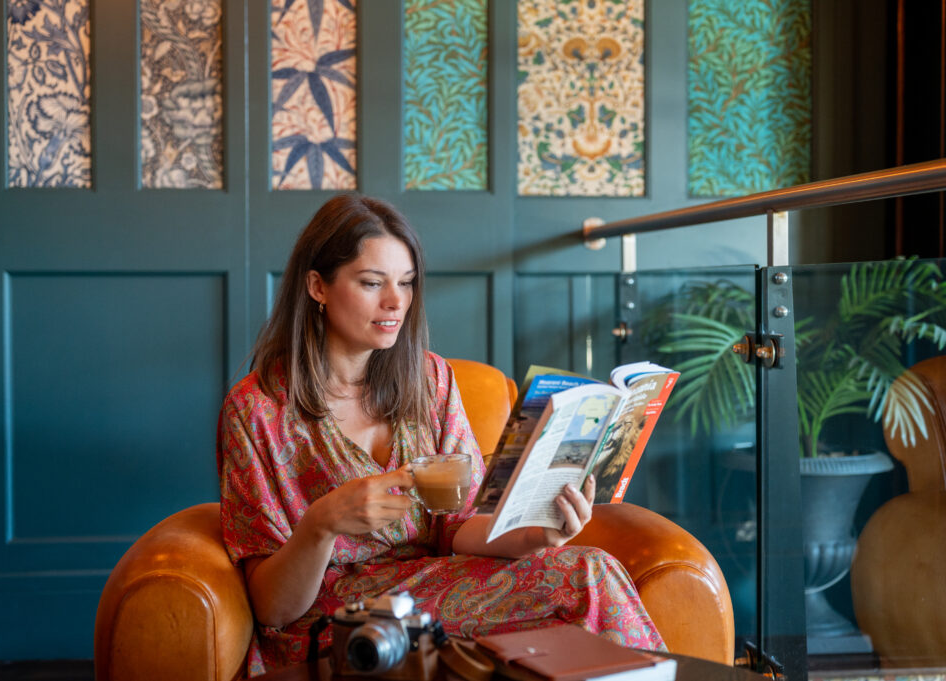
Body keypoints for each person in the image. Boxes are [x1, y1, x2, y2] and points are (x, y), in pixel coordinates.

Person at [216, 194, 665, 674]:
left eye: (406, 282)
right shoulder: (257, 409)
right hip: (341, 621)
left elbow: (459, 525)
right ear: (317, 286)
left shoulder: (430, 380)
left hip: (441, 586)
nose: (395, 302)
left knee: (591, 568)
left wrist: (537, 534)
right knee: (586, 580)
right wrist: (321, 525)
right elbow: (273, 608)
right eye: (372, 282)